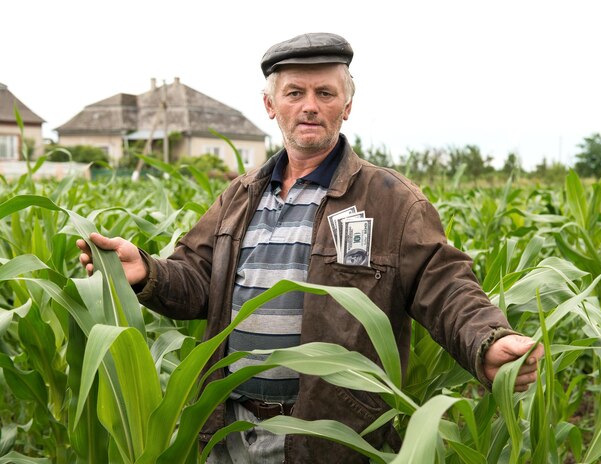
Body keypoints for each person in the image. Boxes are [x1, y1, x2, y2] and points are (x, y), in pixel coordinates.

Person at [77, 32, 544, 464]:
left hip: (329, 437)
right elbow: (198, 280)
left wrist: (489, 339)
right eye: (295, 93)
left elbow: (444, 285)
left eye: (325, 93)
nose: (310, 106)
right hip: (230, 431)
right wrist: (144, 272)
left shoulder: (390, 200)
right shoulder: (239, 197)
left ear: (348, 106)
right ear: (269, 105)